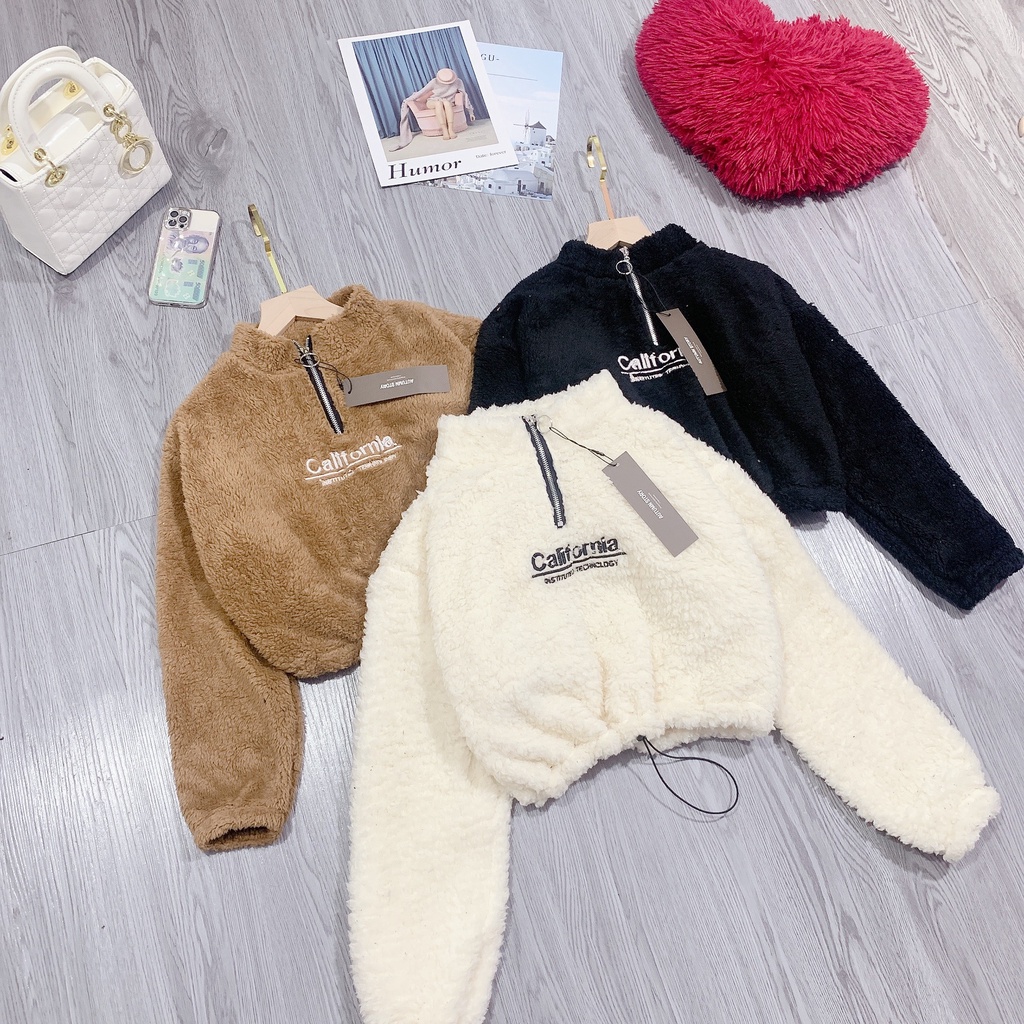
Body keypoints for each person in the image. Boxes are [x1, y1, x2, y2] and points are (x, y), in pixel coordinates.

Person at [393, 67, 476, 150]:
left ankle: (450, 129)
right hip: (432, 101)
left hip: (447, 101)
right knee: (438, 103)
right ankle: (444, 130)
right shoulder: (434, 82)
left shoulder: (458, 82)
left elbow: (465, 96)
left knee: (446, 103)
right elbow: (422, 92)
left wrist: (471, 112)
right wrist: (408, 99)